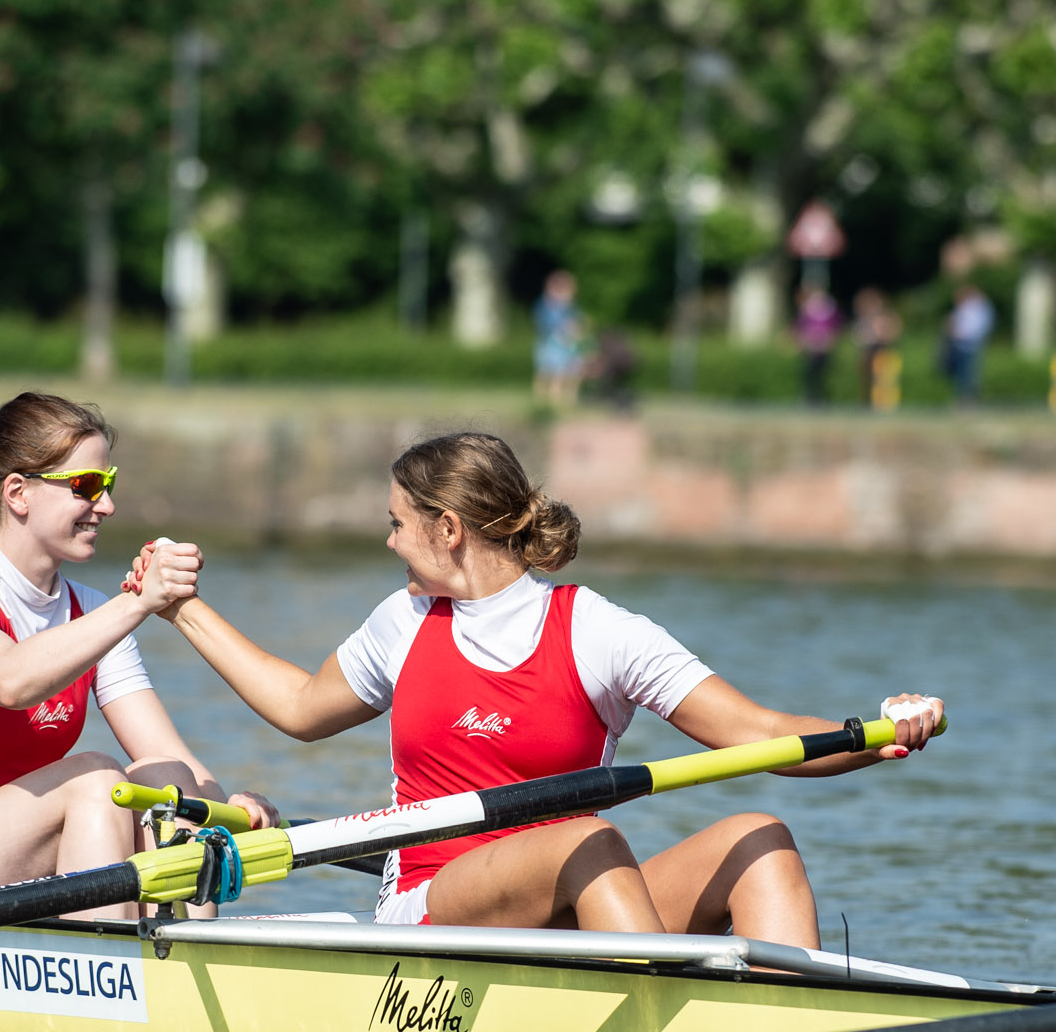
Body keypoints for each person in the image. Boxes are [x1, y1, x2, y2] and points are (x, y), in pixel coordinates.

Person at [142, 431, 943, 946]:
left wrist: (881, 733)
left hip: (579, 900)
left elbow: (762, 733)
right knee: (582, 840)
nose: (388, 541)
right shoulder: (406, 621)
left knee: (760, 838)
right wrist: (182, 611)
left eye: (396, 523)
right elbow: (297, 708)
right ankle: (663, 1023)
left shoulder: (602, 633)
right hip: (432, 902)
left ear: (446, 529)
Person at [0, 391, 275, 915]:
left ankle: (186, 952)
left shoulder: (90, 612)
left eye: (108, 484)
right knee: (96, 778)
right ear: (19, 494)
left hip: (9, 873)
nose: (108, 506)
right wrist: (139, 602)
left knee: (167, 790)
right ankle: (111, 973)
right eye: (86, 486)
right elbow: (10, 682)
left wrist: (226, 814)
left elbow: (169, 755)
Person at [532, 270, 585, 408]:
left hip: (565, 343)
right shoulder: (546, 305)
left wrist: (575, 329)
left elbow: (575, 323)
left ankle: (564, 399)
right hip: (551, 342)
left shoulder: (569, 307)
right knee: (550, 372)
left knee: (568, 371)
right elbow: (546, 324)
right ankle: (548, 400)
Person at [942, 282, 993, 403]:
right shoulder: (965, 308)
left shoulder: (976, 309)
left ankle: (968, 400)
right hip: (959, 345)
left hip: (969, 345)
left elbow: (973, 329)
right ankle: (964, 399)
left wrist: (959, 333)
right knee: (961, 375)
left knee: (967, 375)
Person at [853, 288, 900, 410]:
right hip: (868, 351)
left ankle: (884, 404)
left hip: (884, 351)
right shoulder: (865, 319)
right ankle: (868, 403)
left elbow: (893, 333)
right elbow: (859, 336)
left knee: (884, 379)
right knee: (868, 380)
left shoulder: (886, 317)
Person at [795, 287, 840, 407]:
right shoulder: (806, 313)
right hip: (811, 349)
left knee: (823, 375)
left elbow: (834, 331)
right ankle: (811, 398)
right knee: (810, 375)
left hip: (823, 349)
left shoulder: (829, 313)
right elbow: (800, 329)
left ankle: (822, 398)